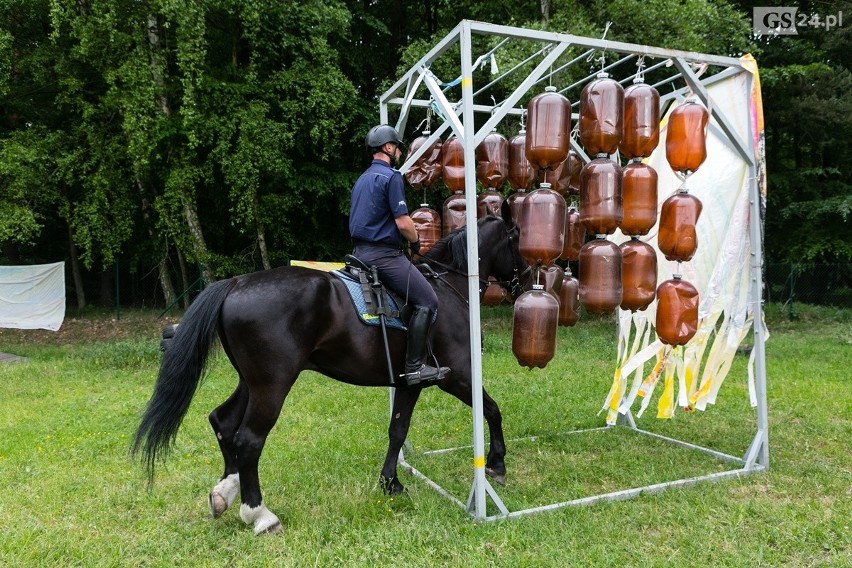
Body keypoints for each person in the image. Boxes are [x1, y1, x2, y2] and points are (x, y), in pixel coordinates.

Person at [349, 124, 449, 387]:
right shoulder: (391, 177)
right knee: (428, 300)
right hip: (383, 256)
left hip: (359, 253)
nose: (400, 153)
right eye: (398, 148)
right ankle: (415, 367)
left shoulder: (361, 180)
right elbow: (404, 223)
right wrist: (416, 243)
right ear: (388, 147)